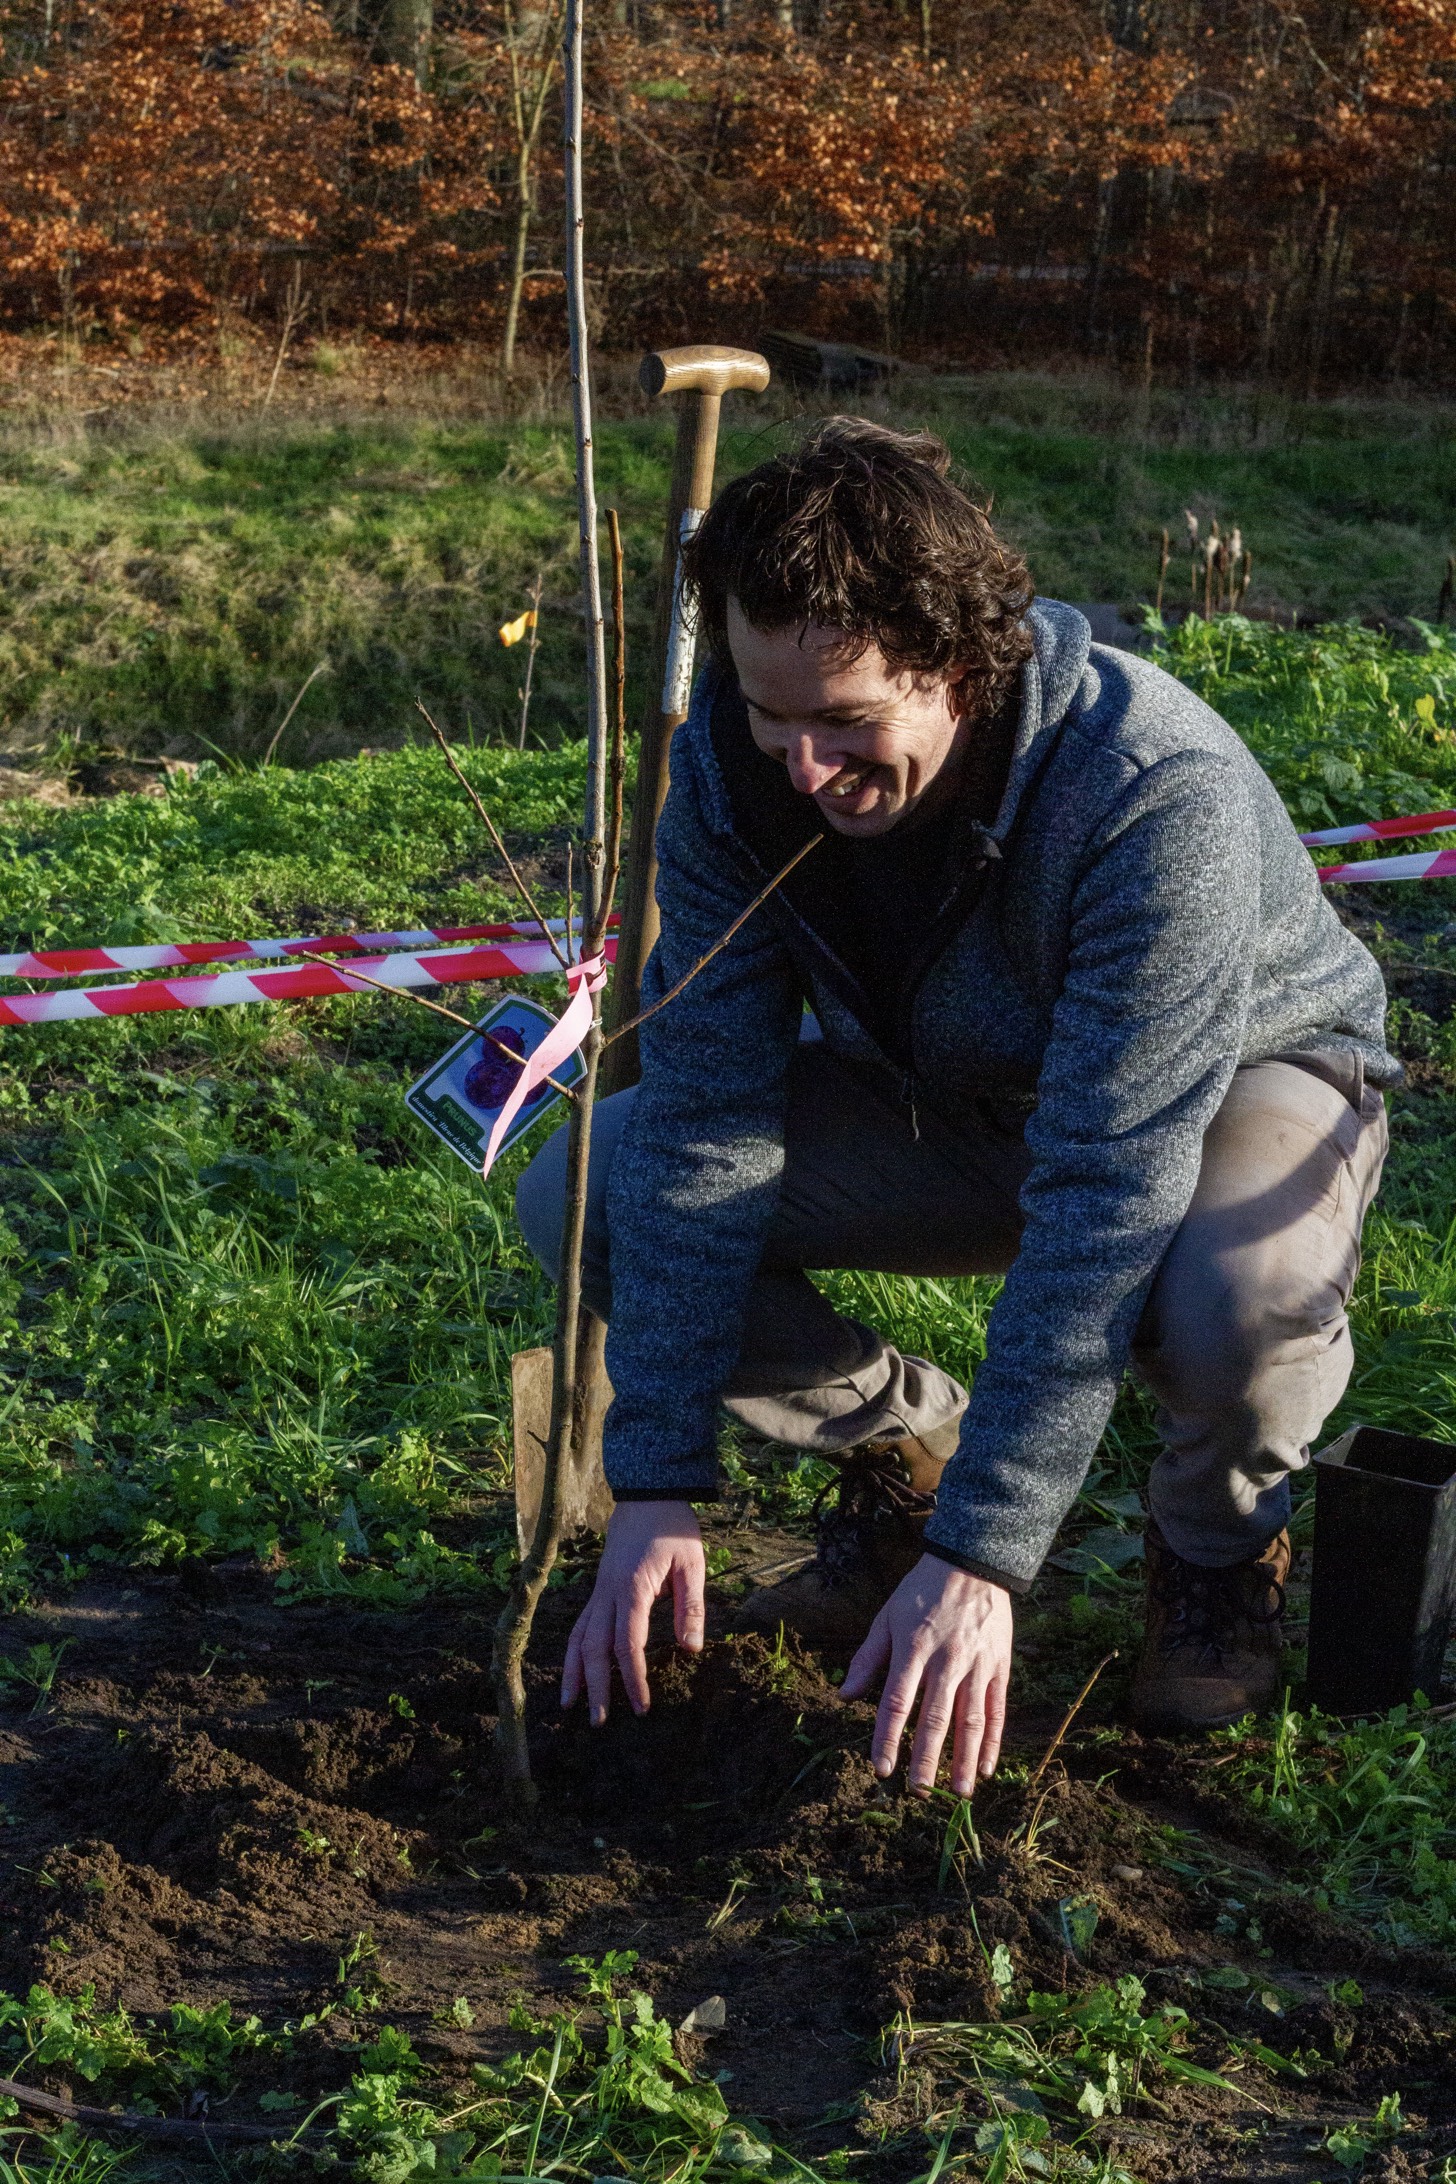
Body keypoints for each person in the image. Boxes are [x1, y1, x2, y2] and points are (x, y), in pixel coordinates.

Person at [516, 418, 1395, 1798]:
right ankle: (895, 1450)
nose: (801, 767)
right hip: (953, 1094)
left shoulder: (1151, 795)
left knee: (1230, 1298)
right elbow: (706, 1118)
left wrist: (986, 1558)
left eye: (846, 722)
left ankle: (1213, 1553)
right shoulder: (730, 781)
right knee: (595, 1183)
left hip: (1236, 1086)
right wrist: (657, 1481)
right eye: (769, 715)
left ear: (961, 673)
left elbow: (1110, 1196)